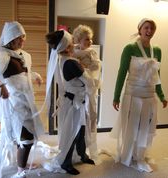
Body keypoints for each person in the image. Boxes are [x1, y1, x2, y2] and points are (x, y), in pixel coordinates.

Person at [0, 21, 44, 178]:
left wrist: (35, 75)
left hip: (27, 99)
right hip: (14, 102)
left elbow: (22, 73)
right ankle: (21, 169)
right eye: (19, 38)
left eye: (23, 38)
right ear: (10, 38)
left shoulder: (22, 54)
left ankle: (21, 162)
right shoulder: (0, 54)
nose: (23, 41)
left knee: (22, 133)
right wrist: (0, 85)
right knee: (26, 136)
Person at [111, 18, 168, 173]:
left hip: (149, 96)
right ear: (140, 29)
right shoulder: (129, 48)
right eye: (146, 28)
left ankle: (139, 155)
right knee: (132, 126)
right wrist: (116, 97)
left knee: (145, 127)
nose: (149, 31)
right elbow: (121, 72)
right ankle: (128, 154)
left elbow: (157, 75)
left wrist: (161, 96)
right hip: (133, 95)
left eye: (152, 29)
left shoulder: (157, 50)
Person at [44, 30, 95, 175]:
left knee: (81, 131)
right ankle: (66, 163)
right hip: (74, 103)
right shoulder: (71, 62)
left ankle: (81, 155)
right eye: (72, 42)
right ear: (66, 47)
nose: (75, 44)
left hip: (73, 100)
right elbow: (89, 81)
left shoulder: (62, 59)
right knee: (72, 132)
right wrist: (86, 68)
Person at [72, 24, 101, 163]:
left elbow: (96, 66)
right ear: (78, 40)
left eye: (90, 39)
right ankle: (76, 151)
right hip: (77, 89)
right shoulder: (73, 51)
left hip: (88, 88)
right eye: (86, 40)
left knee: (88, 120)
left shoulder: (91, 52)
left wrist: (85, 67)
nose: (89, 42)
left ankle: (84, 151)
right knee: (77, 122)